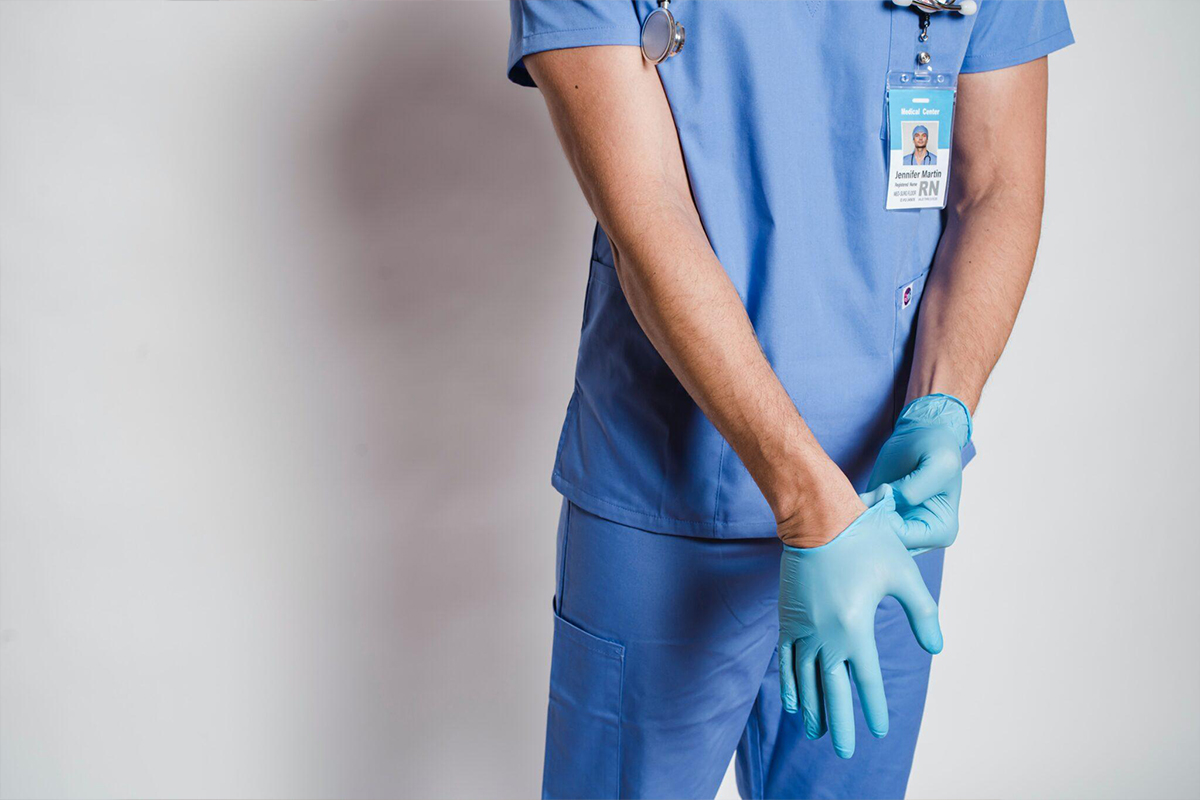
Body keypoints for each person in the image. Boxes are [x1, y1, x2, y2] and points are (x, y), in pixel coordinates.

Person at [507, 2, 1073, 797]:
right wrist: (810, 505)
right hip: (669, 499)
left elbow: (998, 187)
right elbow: (645, 212)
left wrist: (942, 407)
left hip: (882, 506)